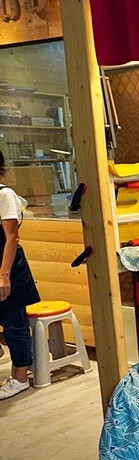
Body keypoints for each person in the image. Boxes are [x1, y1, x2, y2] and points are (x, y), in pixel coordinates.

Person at [0, 151, 41, 399]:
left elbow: (11, 238)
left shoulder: (4, 195)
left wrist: (4, 276)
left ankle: (20, 378)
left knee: (14, 324)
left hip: (8, 269)